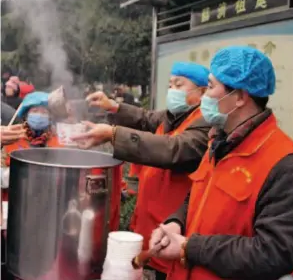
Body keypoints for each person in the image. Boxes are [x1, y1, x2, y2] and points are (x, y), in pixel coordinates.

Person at [149, 46, 293, 280]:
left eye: (210, 87)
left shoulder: (284, 164)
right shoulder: (219, 141)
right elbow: (197, 194)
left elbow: (274, 253)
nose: (204, 97)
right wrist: (176, 222)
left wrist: (191, 248)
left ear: (239, 97)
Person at [72, 62, 211, 279]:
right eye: (171, 84)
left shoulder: (205, 123)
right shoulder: (174, 115)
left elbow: (174, 149)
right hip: (152, 221)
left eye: (179, 85)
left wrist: (113, 135)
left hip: (175, 227)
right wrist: (113, 106)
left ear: (203, 92)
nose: (172, 90)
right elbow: (146, 118)